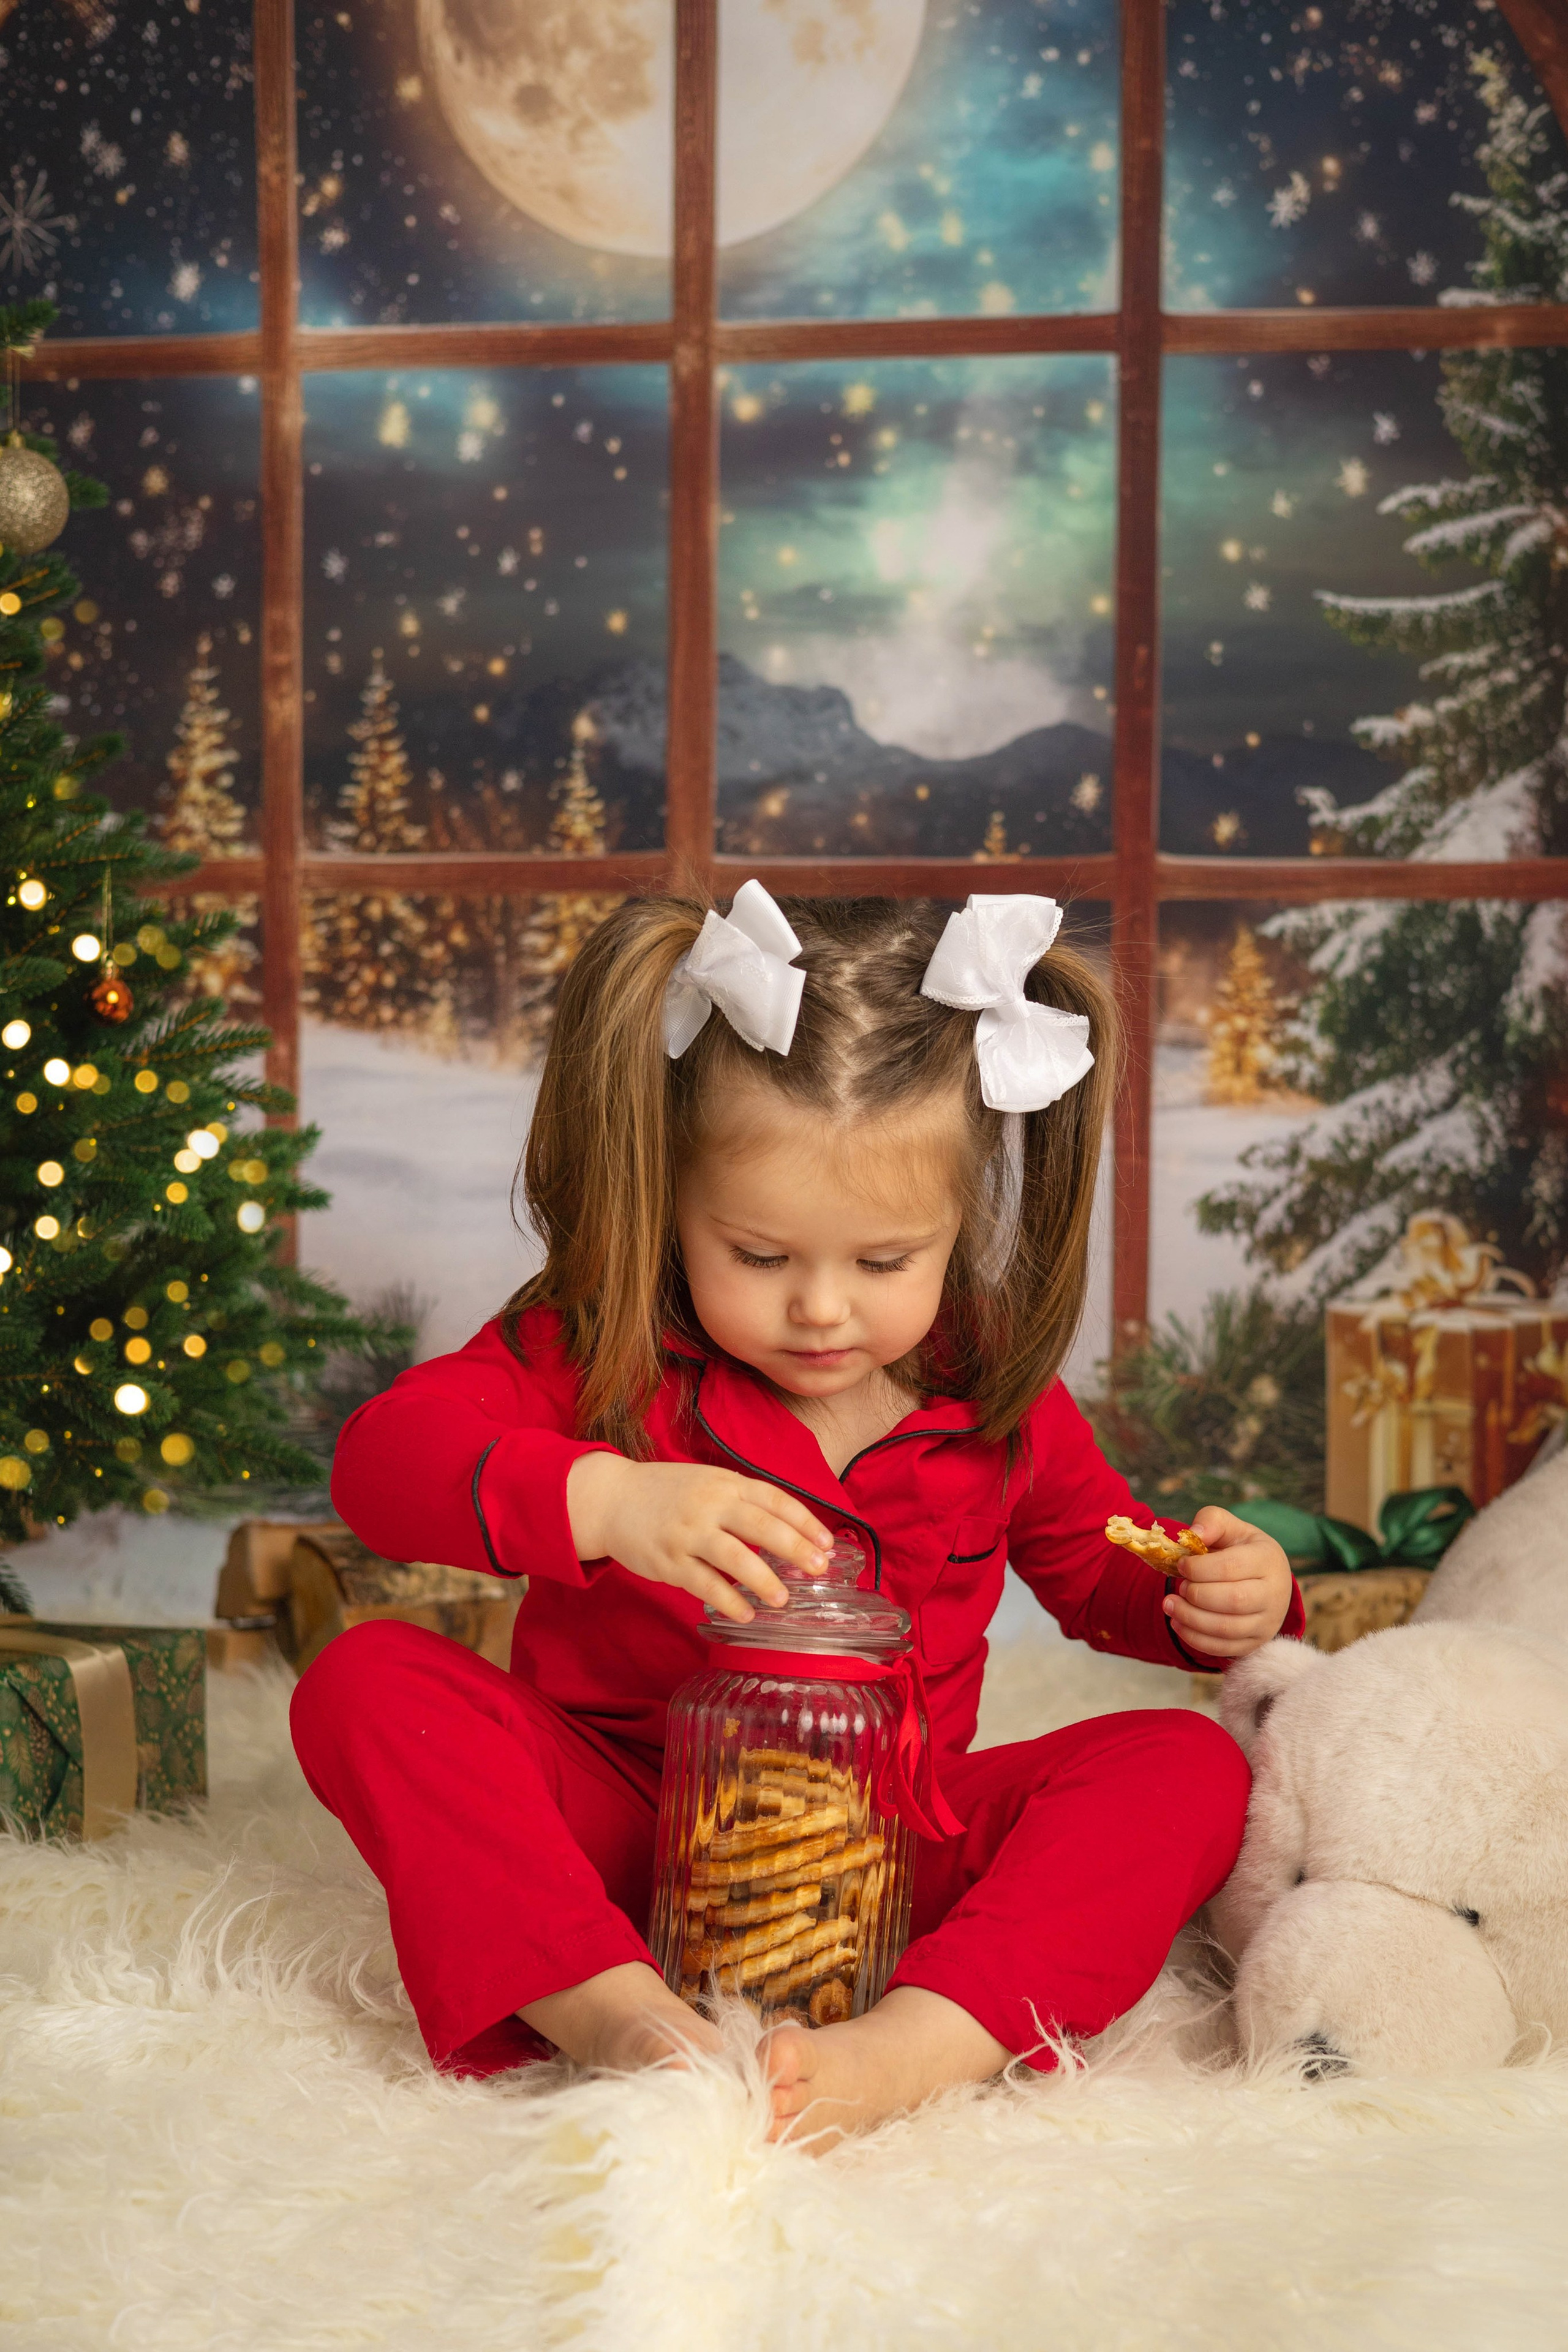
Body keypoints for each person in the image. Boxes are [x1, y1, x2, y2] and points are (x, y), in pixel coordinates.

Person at [292, 884, 1300, 2143]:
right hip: (617, 1831)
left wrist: (1209, 1596)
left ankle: (915, 2043)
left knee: (1185, 1765)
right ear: (670, 1199)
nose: (821, 1309)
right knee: (368, 1678)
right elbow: (381, 1464)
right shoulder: (599, 1348)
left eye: (883, 1263)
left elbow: (1102, 1572)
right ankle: (613, 2012)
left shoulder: (989, 1393)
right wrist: (603, 1497)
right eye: (759, 1257)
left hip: (904, 1851)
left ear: (961, 1222)